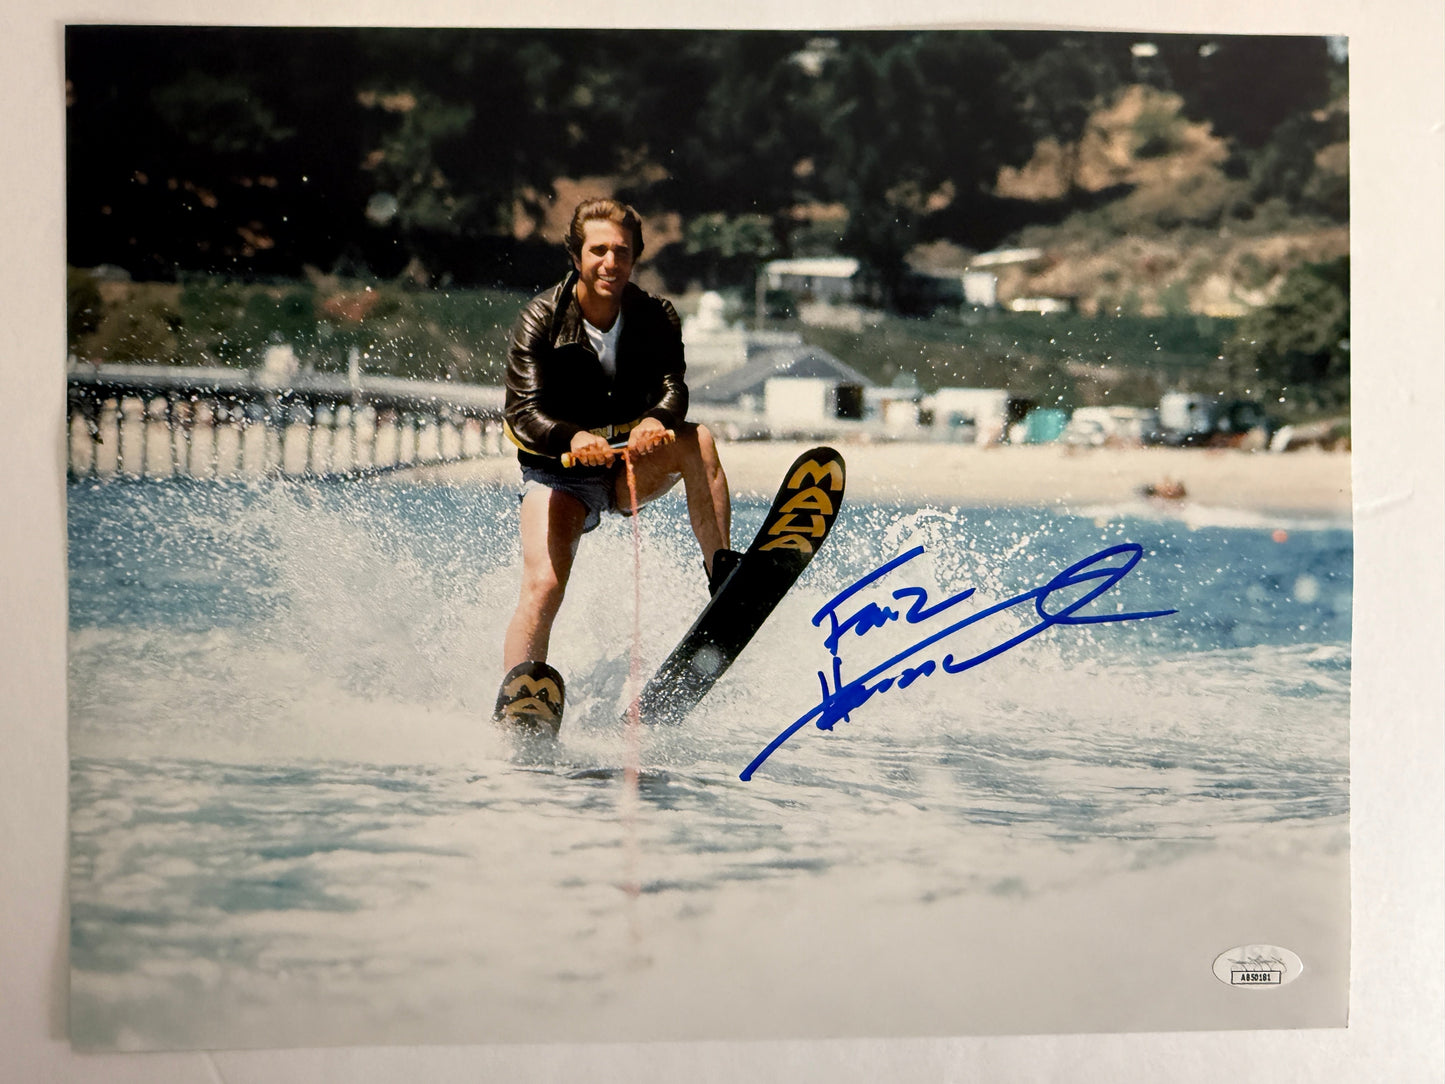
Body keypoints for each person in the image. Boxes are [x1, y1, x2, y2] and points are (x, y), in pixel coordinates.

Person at [500, 198, 736, 675]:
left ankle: (725, 578)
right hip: (558, 474)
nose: (611, 262)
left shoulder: (655, 315)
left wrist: (657, 420)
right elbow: (523, 412)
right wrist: (571, 438)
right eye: (599, 250)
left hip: (627, 464)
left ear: (635, 257)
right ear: (577, 255)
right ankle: (521, 691)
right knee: (544, 585)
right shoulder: (541, 318)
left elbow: (674, 387)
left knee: (699, 440)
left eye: (623, 252)